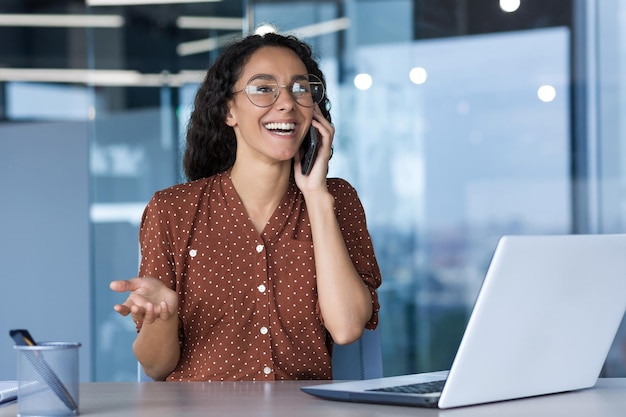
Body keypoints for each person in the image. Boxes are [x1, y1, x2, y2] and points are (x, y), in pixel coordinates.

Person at [109, 32, 382, 382]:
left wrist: (315, 197)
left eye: (300, 89)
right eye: (264, 88)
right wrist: (163, 318)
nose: (287, 103)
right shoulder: (172, 210)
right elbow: (156, 366)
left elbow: (346, 328)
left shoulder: (337, 200)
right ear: (228, 110)